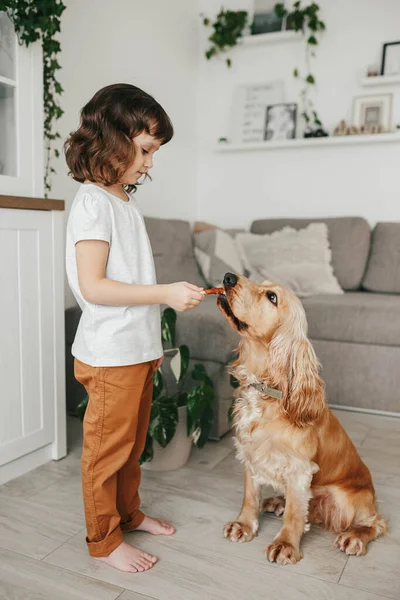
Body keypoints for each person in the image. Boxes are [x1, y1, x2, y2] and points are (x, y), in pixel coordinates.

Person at [65, 83, 204, 573]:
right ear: (112, 139)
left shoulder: (122, 199)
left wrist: (155, 337)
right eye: (145, 150)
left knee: (130, 447)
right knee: (107, 453)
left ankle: (127, 514)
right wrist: (164, 293)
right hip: (108, 355)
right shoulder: (91, 203)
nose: (149, 163)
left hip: (136, 349)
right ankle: (104, 540)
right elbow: (95, 285)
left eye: (154, 153)